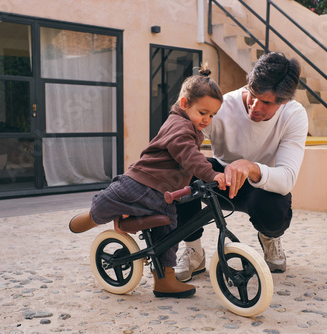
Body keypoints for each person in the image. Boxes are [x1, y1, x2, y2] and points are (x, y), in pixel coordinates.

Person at [69, 67, 226, 298]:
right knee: (113, 199)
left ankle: (164, 280)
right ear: (184, 104)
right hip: (141, 183)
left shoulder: (188, 125)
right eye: (203, 112)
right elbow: (190, 156)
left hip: (164, 194)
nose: (207, 119)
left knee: (169, 234)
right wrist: (211, 174)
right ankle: (93, 215)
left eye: (212, 116)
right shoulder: (180, 127)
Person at [174, 52, 308, 282]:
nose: (255, 106)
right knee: (180, 171)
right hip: (219, 179)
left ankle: (269, 239)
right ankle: (193, 250)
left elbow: (287, 178)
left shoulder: (294, 115)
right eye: (253, 95)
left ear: (283, 102)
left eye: (266, 102)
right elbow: (181, 140)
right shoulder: (222, 105)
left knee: (277, 205)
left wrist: (250, 167)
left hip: (261, 187)